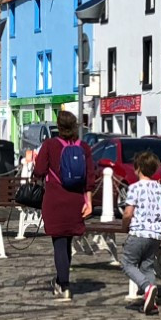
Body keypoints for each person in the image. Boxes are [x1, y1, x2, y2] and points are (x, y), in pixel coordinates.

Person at [31, 109, 92, 300]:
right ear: (74, 127)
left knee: (59, 241)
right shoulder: (83, 147)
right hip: (76, 200)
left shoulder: (49, 145)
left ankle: (64, 285)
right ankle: (61, 279)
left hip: (55, 199)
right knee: (67, 240)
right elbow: (91, 177)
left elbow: (39, 170)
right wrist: (88, 201)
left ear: (58, 127)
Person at [117, 150, 161, 315]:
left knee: (128, 263)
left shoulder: (134, 188)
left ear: (137, 169)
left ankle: (147, 288)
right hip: (155, 236)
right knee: (147, 266)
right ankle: (151, 302)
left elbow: (128, 212)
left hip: (138, 233)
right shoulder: (159, 188)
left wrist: (124, 225)